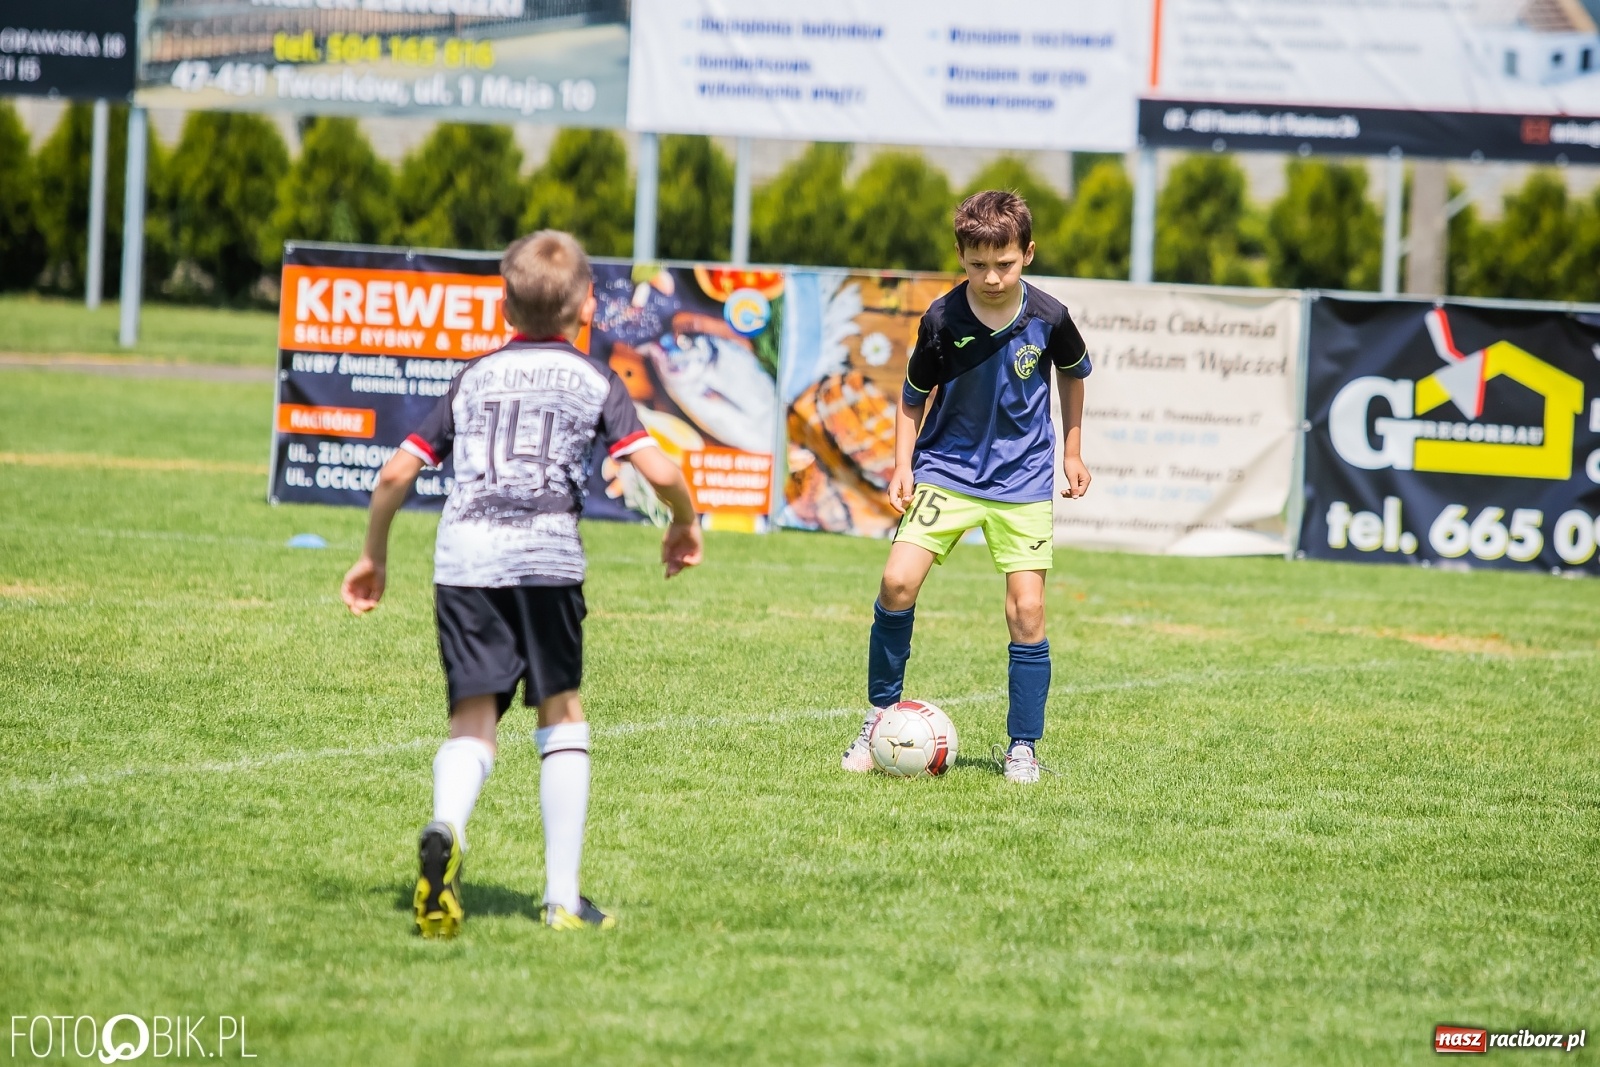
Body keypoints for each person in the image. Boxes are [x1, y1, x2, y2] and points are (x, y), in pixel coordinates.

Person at [341, 230, 702, 938]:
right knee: (561, 715)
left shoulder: (474, 376)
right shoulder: (595, 379)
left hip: (465, 558)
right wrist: (683, 523)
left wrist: (372, 555)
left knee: (473, 721)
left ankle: (448, 824)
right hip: (546, 558)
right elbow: (658, 471)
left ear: (504, 306)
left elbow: (395, 473)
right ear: (587, 305)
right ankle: (562, 897)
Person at [840, 190, 1092, 784]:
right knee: (896, 581)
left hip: (1024, 479)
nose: (992, 276)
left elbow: (1075, 376)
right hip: (946, 471)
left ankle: (1023, 747)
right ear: (961, 255)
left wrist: (1073, 451)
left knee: (1027, 609)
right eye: (978, 264)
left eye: (1003, 263)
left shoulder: (1050, 317)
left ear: (1026, 254)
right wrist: (903, 465)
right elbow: (911, 396)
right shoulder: (941, 318)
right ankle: (879, 717)